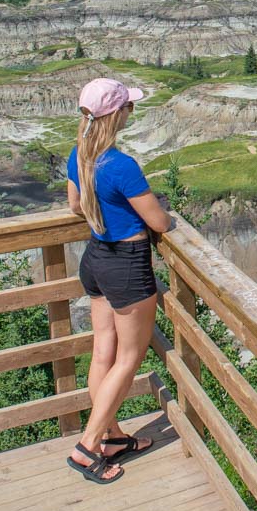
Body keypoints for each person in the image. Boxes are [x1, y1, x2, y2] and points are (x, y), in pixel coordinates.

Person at [65, 77, 175, 483]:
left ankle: (112, 437)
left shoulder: (78, 154)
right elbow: (158, 222)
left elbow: (75, 205)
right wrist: (160, 211)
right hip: (126, 264)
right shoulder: (121, 165)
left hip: (95, 259)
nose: (132, 110)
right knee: (128, 359)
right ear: (117, 114)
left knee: (102, 356)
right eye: (128, 106)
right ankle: (87, 447)